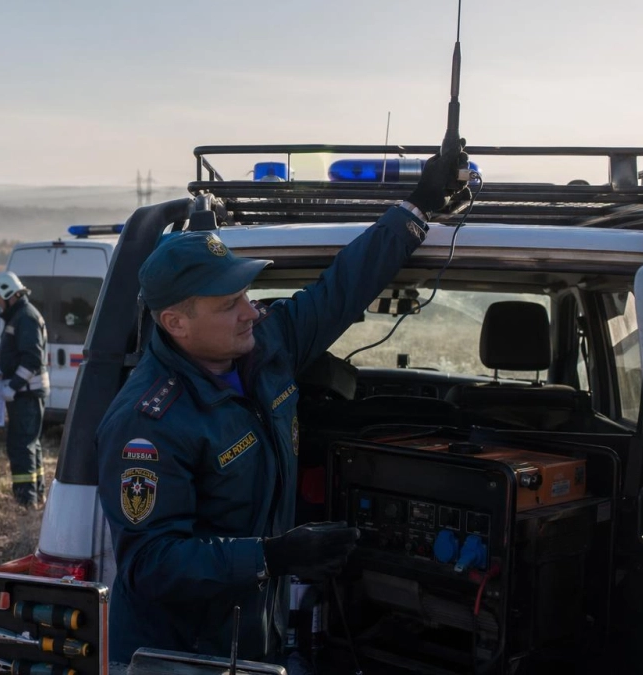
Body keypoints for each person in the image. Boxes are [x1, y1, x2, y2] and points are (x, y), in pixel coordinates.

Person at [96, 145, 470, 664]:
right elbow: (151, 565)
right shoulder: (147, 422)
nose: (251, 312)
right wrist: (272, 557)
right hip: (182, 656)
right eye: (230, 304)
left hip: (250, 635)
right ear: (176, 323)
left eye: (248, 295)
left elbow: (340, 290)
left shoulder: (265, 350)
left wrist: (417, 207)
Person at [0, 271, 50, 507]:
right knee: (31, 444)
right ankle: (36, 494)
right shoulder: (19, 316)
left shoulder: (25, 317)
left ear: (8, 294)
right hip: (26, 393)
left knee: (21, 446)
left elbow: (32, 359)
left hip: (26, 393)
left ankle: (26, 500)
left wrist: (13, 386)